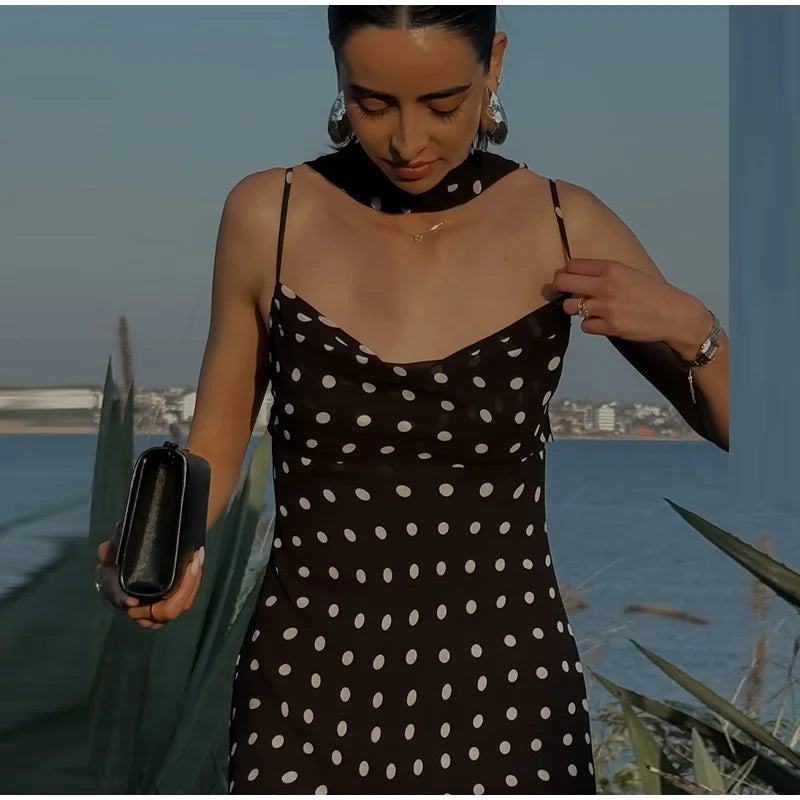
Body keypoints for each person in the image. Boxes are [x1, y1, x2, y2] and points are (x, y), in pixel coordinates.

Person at [96, 5, 729, 794]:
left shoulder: (565, 224)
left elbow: (747, 425)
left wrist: (694, 328)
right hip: (305, 688)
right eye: (372, 103)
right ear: (337, 71)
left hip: (510, 699)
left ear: (494, 65)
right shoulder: (269, 214)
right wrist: (166, 545)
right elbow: (218, 442)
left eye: (441, 105)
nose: (406, 141)